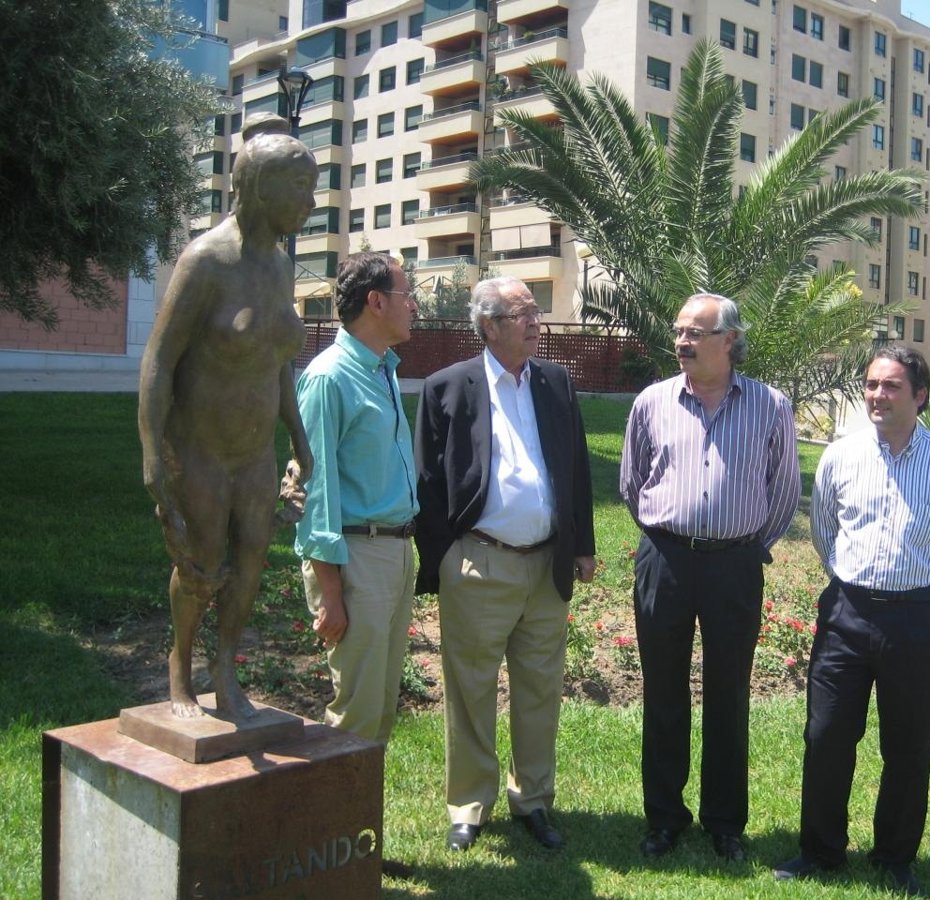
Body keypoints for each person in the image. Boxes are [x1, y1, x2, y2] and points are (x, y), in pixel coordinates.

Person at [774, 346, 930, 894]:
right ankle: (821, 851)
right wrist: (855, 582)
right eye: (872, 384)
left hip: (918, 620)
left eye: (891, 386)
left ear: (921, 396)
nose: (877, 394)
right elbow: (825, 532)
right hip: (846, 613)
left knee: (908, 744)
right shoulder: (840, 456)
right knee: (826, 735)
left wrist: (925, 596)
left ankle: (894, 857)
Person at [138, 120, 316, 720]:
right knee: (202, 562)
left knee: (251, 561)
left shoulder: (281, 267)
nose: (311, 201)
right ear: (262, 186)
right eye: (300, 187)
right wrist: (152, 453)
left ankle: (225, 669)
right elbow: (159, 361)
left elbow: (276, 361)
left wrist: (298, 438)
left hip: (255, 453)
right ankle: (179, 668)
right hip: (202, 449)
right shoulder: (205, 262)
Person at [413, 276, 596, 853]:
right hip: (479, 562)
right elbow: (427, 481)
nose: (536, 322)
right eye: (523, 314)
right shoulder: (448, 387)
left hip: (546, 565)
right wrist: (444, 558)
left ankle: (533, 800)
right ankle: (469, 805)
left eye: (536, 312)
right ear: (489, 325)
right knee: (470, 690)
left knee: (539, 689)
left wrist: (582, 545)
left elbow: (576, 467)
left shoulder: (555, 381)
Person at [619, 293, 802, 863]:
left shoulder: (771, 406)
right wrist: (668, 535)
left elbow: (784, 490)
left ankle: (725, 823)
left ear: (729, 341)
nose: (682, 341)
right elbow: (632, 483)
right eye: (678, 331)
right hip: (666, 561)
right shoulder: (651, 402)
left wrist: (748, 546)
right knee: (663, 692)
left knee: (729, 694)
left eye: (695, 333)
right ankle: (664, 818)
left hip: (734, 566)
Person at [293, 251, 420, 745]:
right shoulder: (329, 377)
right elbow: (316, 490)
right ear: (376, 302)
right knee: (356, 717)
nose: (414, 306)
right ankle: (334, 800)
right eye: (406, 295)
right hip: (356, 559)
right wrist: (330, 592)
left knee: (380, 709)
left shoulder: (382, 368)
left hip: (394, 551)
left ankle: (359, 798)